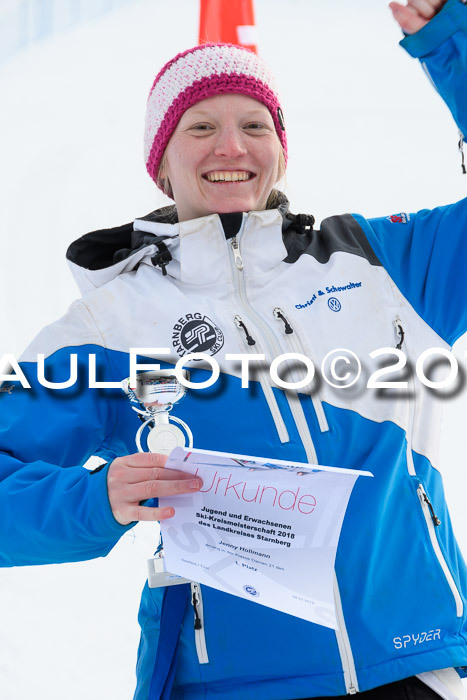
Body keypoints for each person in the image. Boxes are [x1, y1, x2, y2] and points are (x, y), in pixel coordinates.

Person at [1, 0, 467, 698]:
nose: (231, 147)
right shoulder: (108, 324)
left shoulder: (382, 264)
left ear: (281, 149)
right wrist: (95, 497)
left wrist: (450, 39)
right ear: (160, 163)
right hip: (235, 681)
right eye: (200, 127)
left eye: (254, 125)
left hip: (411, 663)